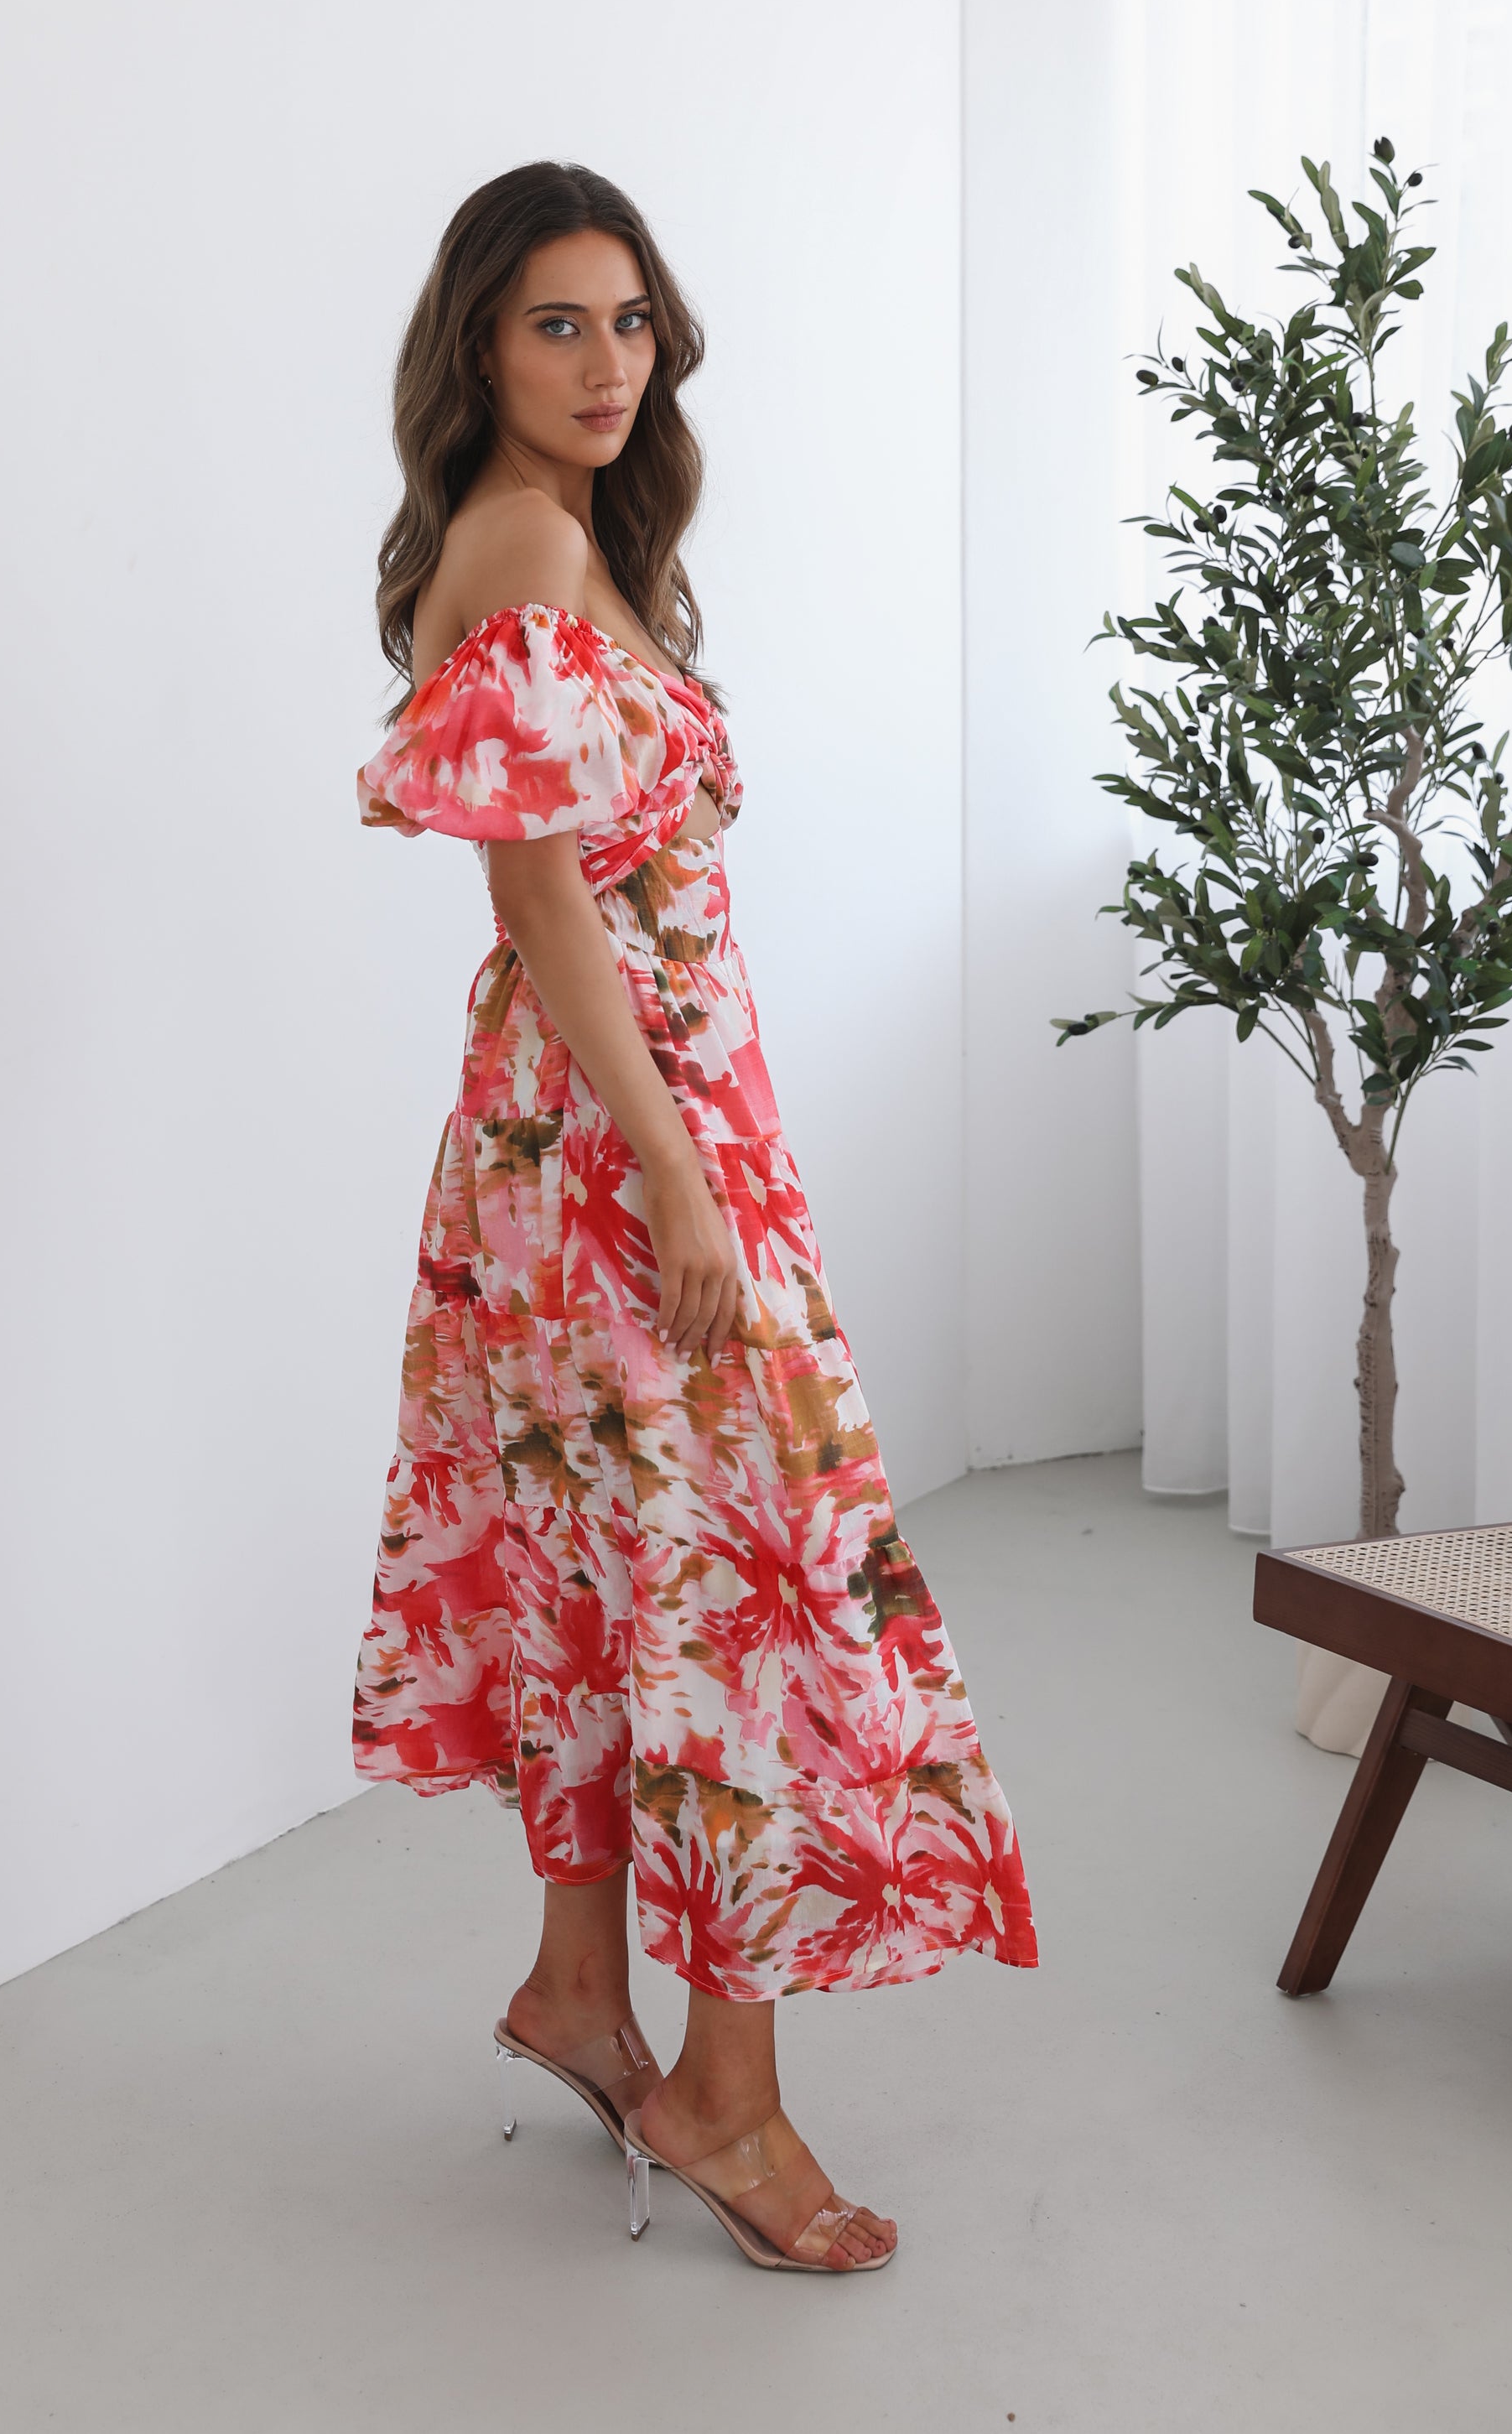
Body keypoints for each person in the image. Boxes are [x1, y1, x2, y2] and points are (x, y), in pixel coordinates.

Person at [351, 161, 1037, 2275]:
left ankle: (583, 1989)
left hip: (594, 1133)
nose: (609, 363)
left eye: (631, 322)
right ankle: (731, 2104)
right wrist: (672, 1170)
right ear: (477, 337)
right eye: (560, 323)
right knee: (753, 1593)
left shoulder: (558, 541)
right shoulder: (531, 540)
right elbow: (539, 887)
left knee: (608, 1576)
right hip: (613, 1150)